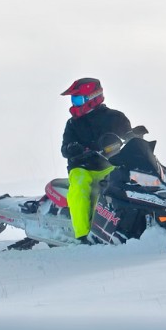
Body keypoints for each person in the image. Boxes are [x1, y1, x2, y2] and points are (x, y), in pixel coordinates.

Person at [59, 77, 132, 244]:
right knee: (80, 186)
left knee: (130, 182)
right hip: (82, 167)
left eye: (78, 99)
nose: (74, 103)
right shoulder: (73, 124)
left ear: (93, 97)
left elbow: (129, 136)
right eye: (73, 99)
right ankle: (83, 234)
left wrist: (134, 136)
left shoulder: (115, 117)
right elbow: (64, 149)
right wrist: (73, 148)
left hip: (110, 164)